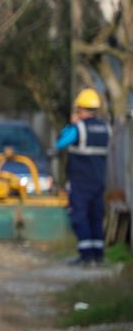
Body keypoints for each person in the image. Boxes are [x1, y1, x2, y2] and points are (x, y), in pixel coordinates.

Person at [57, 88, 111, 266]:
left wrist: (71, 125)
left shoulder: (78, 128)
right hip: (99, 181)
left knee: (79, 218)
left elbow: (60, 143)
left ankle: (86, 257)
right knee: (96, 217)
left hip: (81, 182)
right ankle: (99, 256)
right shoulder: (106, 128)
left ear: (80, 108)